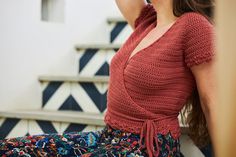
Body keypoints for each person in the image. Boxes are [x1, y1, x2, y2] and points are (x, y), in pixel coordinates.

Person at [0, 0, 217, 157]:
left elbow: (212, 103)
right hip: (109, 137)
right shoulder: (147, 21)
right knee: (10, 149)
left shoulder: (193, 26)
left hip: (147, 146)